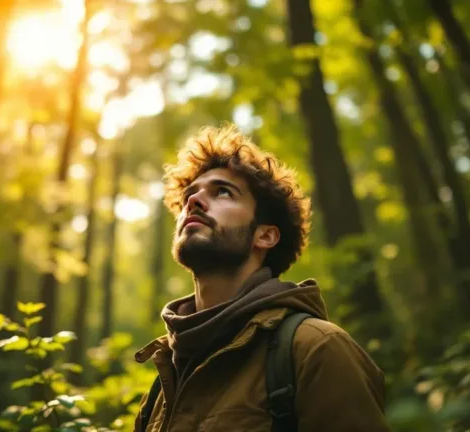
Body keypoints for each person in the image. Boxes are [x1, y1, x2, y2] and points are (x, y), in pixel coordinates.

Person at [133, 124, 390, 431]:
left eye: (223, 192)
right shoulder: (163, 381)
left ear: (265, 235)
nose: (194, 202)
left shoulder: (316, 349)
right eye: (191, 195)